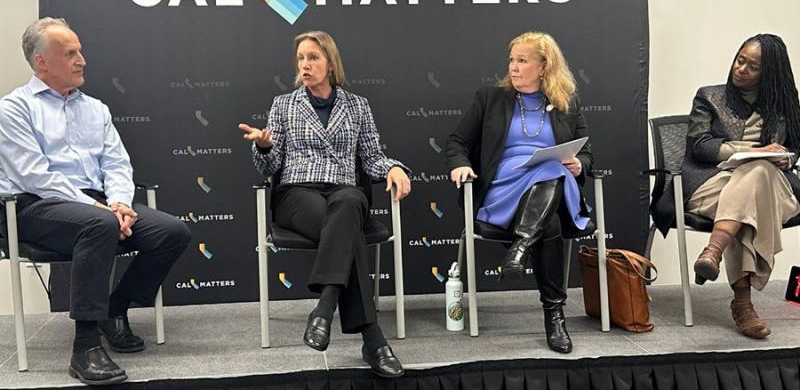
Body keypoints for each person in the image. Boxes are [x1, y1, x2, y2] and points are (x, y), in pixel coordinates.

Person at [0, 18, 191, 385]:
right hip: (34, 207)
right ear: (41, 62)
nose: (81, 60)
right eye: (70, 53)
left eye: (80, 51)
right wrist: (101, 211)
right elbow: (34, 176)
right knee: (98, 223)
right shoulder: (14, 109)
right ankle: (85, 346)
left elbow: (117, 163)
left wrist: (119, 202)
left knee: (172, 232)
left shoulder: (96, 109)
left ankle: (113, 310)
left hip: (97, 205)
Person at [238, 30, 411, 378]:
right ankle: (372, 339)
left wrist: (393, 167)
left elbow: (372, 156)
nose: (305, 64)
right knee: (348, 231)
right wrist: (265, 147)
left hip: (344, 192)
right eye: (301, 58)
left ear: (330, 64)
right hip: (297, 195)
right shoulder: (283, 105)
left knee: (349, 204)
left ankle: (324, 308)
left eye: (313, 57)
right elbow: (270, 168)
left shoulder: (358, 105)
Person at [445, 31, 594, 354]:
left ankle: (520, 251)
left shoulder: (566, 103)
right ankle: (554, 315)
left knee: (551, 167)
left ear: (543, 67)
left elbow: (587, 154)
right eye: (512, 60)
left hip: (552, 185)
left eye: (522, 61)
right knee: (550, 222)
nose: (513, 67)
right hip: (504, 187)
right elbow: (457, 142)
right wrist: (459, 164)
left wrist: (579, 164)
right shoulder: (490, 98)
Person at [679, 34, 800, 339]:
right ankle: (743, 306)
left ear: (770, 73)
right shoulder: (709, 97)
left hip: (774, 191)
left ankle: (713, 251)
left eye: (753, 66)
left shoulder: (785, 105)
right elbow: (700, 147)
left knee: (757, 177)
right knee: (747, 199)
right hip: (712, 186)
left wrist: (786, 159)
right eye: (740, 59)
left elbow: (795, 147)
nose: (741, 68)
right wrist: (755, 152)